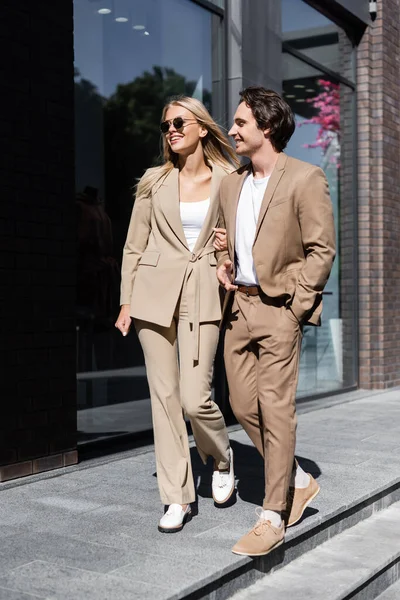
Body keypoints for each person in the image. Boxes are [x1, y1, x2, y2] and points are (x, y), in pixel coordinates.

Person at [216, 86, 336, 556]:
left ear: (266, 127)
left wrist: (295, 305)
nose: (232, 130)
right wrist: (223, 262)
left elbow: (320, 249)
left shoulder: (306, 178)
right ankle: (300, 480)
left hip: (278, 308)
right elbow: (226, 244)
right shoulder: (230, 183)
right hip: (237, 308)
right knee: (244, 407)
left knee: (276, 408)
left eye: (241, 123)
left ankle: (272, 515)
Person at [115, 96, 239, 533]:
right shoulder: (154, 180)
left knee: (194, 397)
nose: (171, 129)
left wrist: (229, 249)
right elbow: (134, 244)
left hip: (204, 292)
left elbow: (242, 242)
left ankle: (223, 457)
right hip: (153, 294)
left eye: (179, 121)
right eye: (165, 124)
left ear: (202, 128)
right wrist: (126, 301)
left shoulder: (230, 179)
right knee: (164, 401)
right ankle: (176, 497)